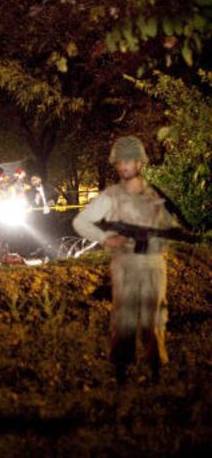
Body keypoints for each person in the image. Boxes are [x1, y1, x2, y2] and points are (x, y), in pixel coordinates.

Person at [73, 136, 176, 384]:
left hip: (153, 264)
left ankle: (156, 371)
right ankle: (121, 373)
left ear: (139, 162)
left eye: (128, 160)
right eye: (119, 161)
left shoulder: (156, 195)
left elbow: (169, 227)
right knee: (124, 320)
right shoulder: (111, 196)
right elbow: (80, 222)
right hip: (126, 265)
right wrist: (105, 238)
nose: (123, 166)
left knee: (154, 319)